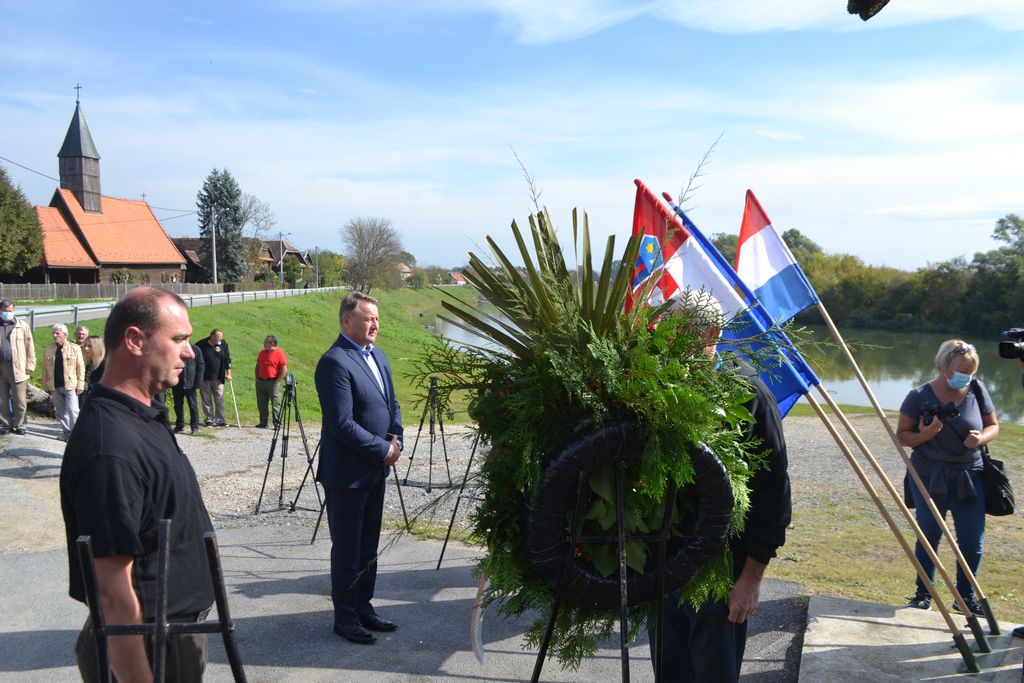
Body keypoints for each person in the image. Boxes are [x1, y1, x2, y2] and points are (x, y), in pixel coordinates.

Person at [60, 286, 216, 682]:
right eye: (178, 339)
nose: (190, 351)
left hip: (169, 631)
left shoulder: (141, 410)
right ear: (134, 340)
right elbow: (112, 592)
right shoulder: (109, 447)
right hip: (148, 642)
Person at [650, 293, 791, 682]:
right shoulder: (660, 386)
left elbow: (774, 498)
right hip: (665, 565)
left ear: (712, 333)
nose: (668, 342)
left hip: (722, 569)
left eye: (678, 332)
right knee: (669, 674)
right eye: (666, 331)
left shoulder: (749, 395)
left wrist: (751, 581)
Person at [315, 292, 403, 645]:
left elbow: (391, 403)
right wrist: (383, 449)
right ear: (346, 321)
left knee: (368, 548)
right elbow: (342, 424)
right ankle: (346, 618)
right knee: (348, 550)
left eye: (377, 318)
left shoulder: (377, 356)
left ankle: (364, 607)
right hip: (347, 476)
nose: (375, 324)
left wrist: (396, 439)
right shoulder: (334, 362)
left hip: (375, 470)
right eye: (368, 318)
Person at [898, 340, 997, 616]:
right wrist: (926, 435)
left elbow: (993, 425)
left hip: (970, 475)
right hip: (929, 475)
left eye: (971, 371)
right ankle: (923, 595)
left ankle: (965, 597)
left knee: (972, 542)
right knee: (928, 536)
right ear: (944, 367)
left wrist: (980, 439)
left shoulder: (977, 390)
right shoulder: (918, 396)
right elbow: (902, 436)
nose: (967, 376)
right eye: (962, 371)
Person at [42, 323, 86, 440]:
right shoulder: (48, 349)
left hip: (70, 386)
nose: (55, 335)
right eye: (54, 333)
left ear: (65, 334)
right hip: (55, 386)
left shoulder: (75, 348)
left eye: (58, 333)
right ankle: (66, 433)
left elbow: (80, 368)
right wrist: (45, 385)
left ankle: (75, 436)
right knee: (60, 413)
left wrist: (80, 385)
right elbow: (45, 369)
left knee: (73, 410)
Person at [0, 299, 36, 436]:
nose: (7, 313)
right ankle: (6, 424)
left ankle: (20, 425)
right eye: (5, 311)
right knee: (2, 400)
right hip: (1, 368)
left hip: (18, 367)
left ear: (14, 310)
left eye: (10, 311)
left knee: (20, 400)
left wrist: (30, 365)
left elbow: (30, 346)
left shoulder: (22, 326)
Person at [197, 328, 231, 427]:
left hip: (219, 377)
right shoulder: (201, 344)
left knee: (220, 398)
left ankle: (220, 420)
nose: (221, 339)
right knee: (206, 399)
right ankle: (209, 419)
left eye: (221, 337)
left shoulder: (223, 344)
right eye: (218, 337)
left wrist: (228, 373)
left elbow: (227, 359)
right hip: (205, 377)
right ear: (212, 336)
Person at [255, 335, 288, 428]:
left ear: (272, 343)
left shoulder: (279, 353)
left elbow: (284, 369)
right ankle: (263, 422)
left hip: (272, 382)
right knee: (261, 403)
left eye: (266, 342)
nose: (264, 343)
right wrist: (257, 377)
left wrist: (277, 381)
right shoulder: (262, 352)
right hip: (261, 381)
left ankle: (277, 423)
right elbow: (258, 365)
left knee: (275, 403)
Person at [173, 341, 205, 435]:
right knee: (177, 405)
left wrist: (198, 382)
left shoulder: (195, 349)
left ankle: (194, 427)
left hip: (191, 383)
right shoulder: (176, 348)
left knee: (193, 406)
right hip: (177, 383)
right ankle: (180, 425)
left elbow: (201, 365)